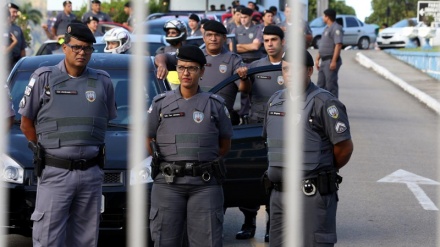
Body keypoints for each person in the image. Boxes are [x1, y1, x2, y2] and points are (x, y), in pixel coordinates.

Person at [18, 22, 117, 247]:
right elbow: (26, 124)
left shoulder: (103, 81)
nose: (82, 52)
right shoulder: (44, 78)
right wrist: (43, 150)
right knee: (49, 237)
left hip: (91, 173)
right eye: (76, 47)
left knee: (85, 238)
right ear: (64, 47)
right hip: (56, 172)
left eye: (87, 48)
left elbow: (106, 120)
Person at [263, 50, 353, 247]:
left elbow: (344, 147)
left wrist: (323, 169)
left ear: (309, 71)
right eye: (286, 70)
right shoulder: (275, 101)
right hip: (279, 195)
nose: (290, 75)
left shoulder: (325, 102)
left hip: (311, 194)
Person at [147, 44, 233, 247]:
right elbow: (149, 140)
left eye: (192, 68)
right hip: (168, 185)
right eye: (182, 67)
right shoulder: (160, 103)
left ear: (202, 71)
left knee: (207, 241)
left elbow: (224, 145)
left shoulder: (215, 104)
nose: (186, 73)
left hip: (204, 185)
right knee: (164, 240)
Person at [234, 25, 285, 243]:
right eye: (266, 40)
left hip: (282, 131)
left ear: (282, 41)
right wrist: (244, 77)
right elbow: (244, 90)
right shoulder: (255, 66)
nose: (270, 44)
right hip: (255, 129)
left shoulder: (289, 67)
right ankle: (248, 223)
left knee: (277, 179)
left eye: (274, 39)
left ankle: (273, 226)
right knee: (253, 177)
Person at [154, 20, 251, 125]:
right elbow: (161, 57)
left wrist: (244, 78)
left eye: (217, 35)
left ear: (224, 38)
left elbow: (244, 89)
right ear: (204, 38)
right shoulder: (194, 54)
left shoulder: (233, 59)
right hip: (193, 116)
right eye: (209, 35)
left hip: (220, 118)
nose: (213, 39)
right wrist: (162, 65)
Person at [315, 8, 342, 98]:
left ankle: (334, 106)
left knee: (331, 85)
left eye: (324, 16)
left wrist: (334, 61)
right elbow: (323, 45)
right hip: (324, 60)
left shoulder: (336, 28)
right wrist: (317, 58)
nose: (323, 17)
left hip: (330, 60)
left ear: (328, 17)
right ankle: (321, 106)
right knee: (320, 85)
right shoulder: (327, 28)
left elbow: (338, 45)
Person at [8, 3, 26, 72]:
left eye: (16, 12)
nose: (15, 15)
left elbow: (22, 48)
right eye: (13, 12)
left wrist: (23, 64)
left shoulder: (18, 29)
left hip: (16, 64)